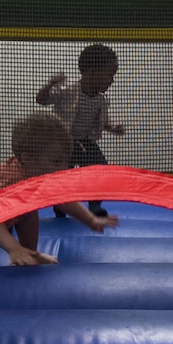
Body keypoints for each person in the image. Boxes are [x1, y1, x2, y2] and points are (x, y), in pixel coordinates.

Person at [0, 112, 118, 266]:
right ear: (28, 159)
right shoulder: (12, 181)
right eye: (57, 161)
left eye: (66, 161)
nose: (65, 168)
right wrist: (13, 248)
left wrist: (90, 220)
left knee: (28, 211)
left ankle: (31, 253)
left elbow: (64, 201)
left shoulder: (41, 174)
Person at [36, 42, 125, 217]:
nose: (112, 80)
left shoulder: (101, 100)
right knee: (63, 176)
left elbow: (99, 121)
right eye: (110, 74)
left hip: (84, 141)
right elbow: (41, 100)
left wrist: (112, 127)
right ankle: (61, 206)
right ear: (91, 72)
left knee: (99, 170)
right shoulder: (69, 92)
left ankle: (94, 205)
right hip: (64, 143)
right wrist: (50, 85)